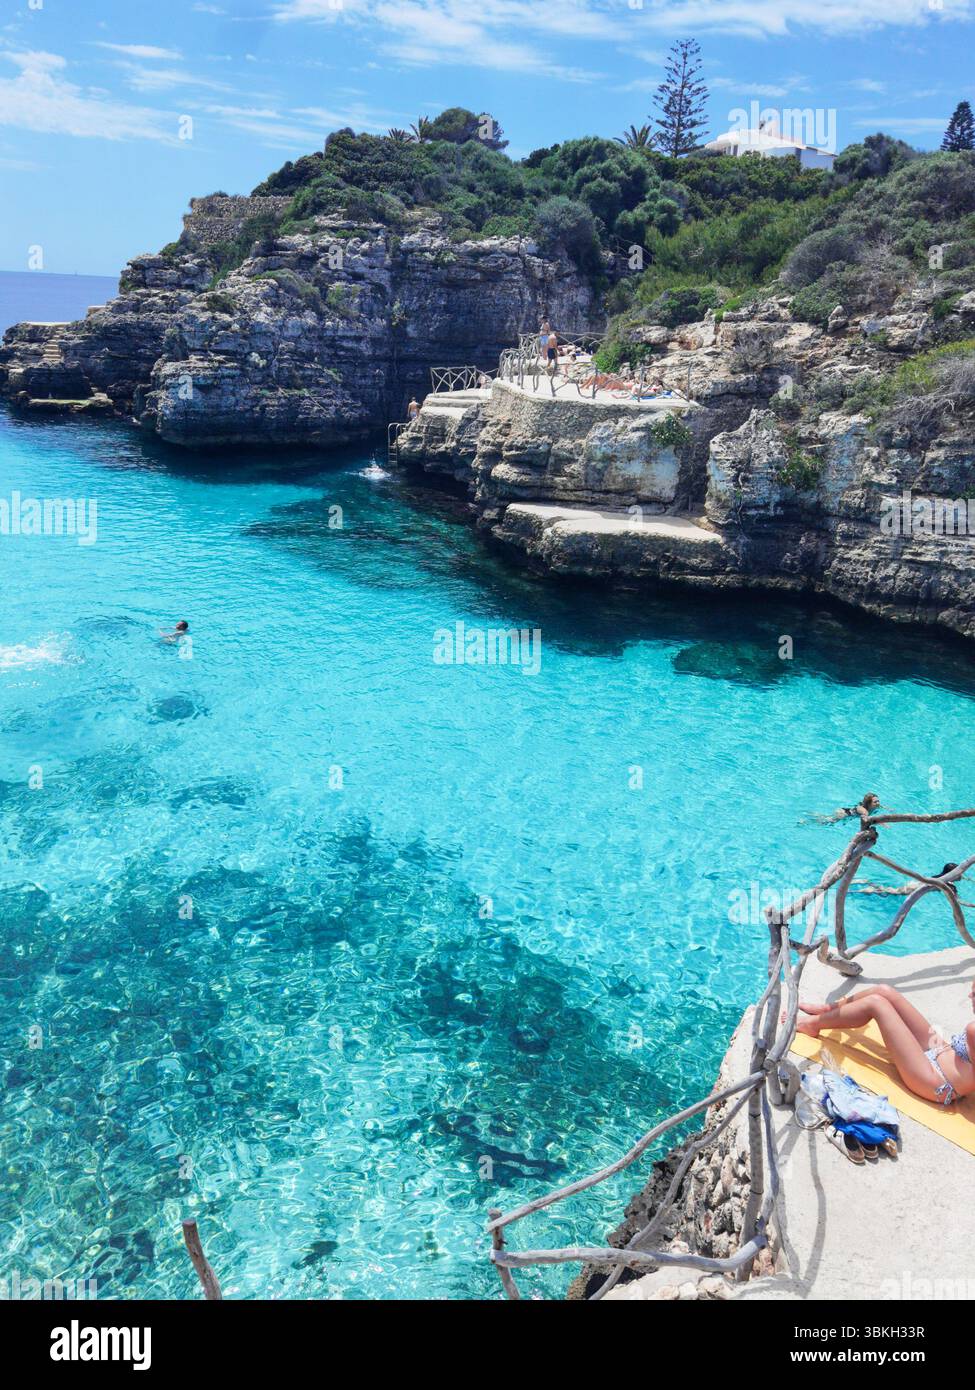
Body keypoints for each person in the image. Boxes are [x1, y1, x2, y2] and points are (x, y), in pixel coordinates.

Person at [796, 980, 975, 1107]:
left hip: (935, 1081)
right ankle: (828, 1009)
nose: (969, 995)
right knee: (884, 992)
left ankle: (811, 1025)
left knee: (876, 1004)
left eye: (974, 993)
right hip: (938, 1049)